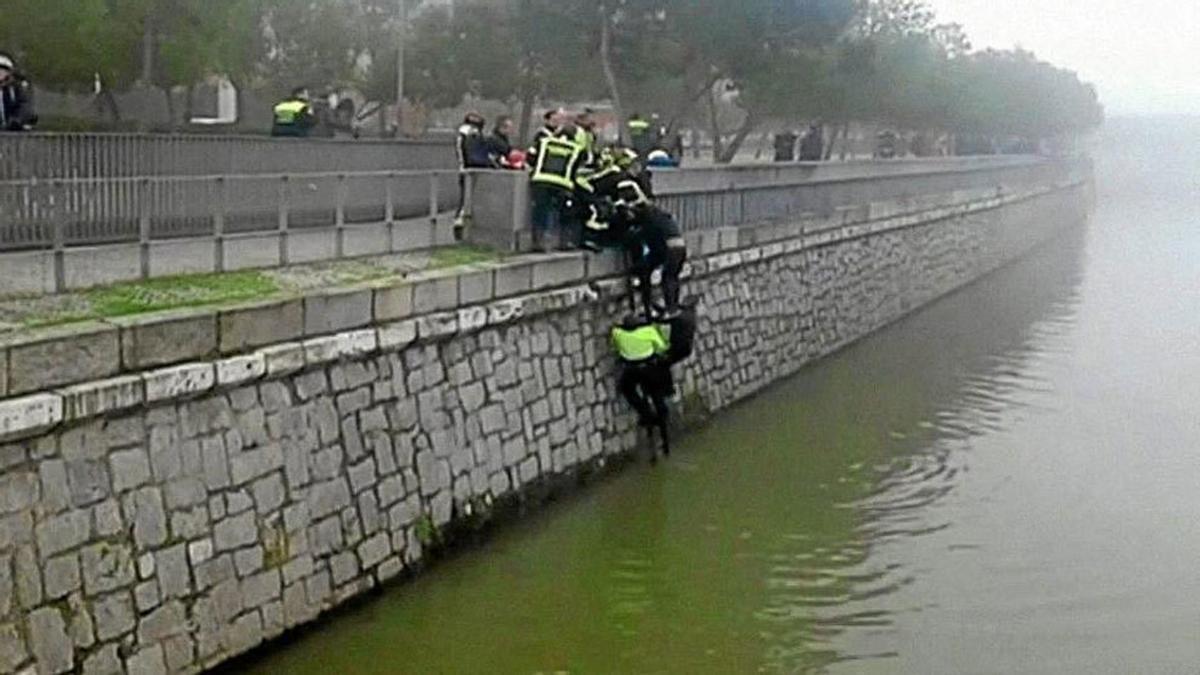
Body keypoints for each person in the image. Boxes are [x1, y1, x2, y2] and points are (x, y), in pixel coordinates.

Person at [611, 314, 673, 459]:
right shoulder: (649, 331)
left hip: (632, 370)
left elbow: (614, 339)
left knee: (627, 389)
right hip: (650, 368)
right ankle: (662, 415)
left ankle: (646, 413)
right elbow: (662, 347)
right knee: (656, 393)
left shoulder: (619, 334)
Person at [527, 119, 586, 252]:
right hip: (562, 184)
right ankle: (564, 241)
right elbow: (579, 166)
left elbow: (530, 157)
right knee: (562, 212)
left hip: (540, 180)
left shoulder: (544, 142)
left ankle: (539, 241)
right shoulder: (577, 148)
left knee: (541, 210)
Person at [455, 112, 491, 237]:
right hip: (470, 170)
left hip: (467, 169)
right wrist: (485, 162)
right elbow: (471, 154)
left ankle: (461, 223)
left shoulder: (466, 132)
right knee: (467, 198)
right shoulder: (471, 133)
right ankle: (461, 224)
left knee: (466, 197)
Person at [0, 54, 36, 131]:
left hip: (14, 129)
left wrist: (16, 120)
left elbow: (25, 105)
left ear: (9, 72)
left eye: (3, 70)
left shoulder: (18, 86)